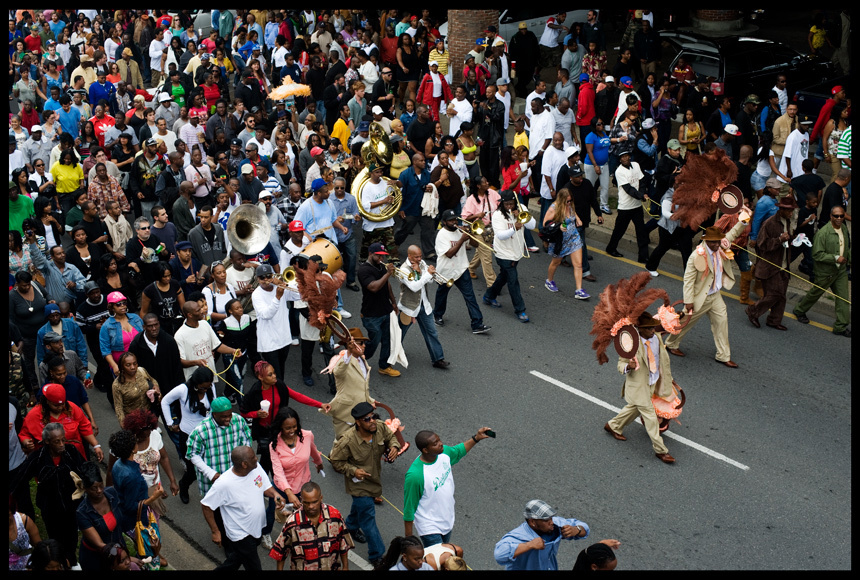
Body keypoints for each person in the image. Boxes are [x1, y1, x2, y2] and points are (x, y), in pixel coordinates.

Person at [665, 221, 747, 368]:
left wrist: (742, 221)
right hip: (699, 298)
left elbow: (732, 234)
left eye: (718, 242)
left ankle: (723, 356)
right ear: (707, 241)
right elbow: (688, 280)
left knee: (722, 323)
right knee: (685, 323)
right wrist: (688, 301)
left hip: (715, 296)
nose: (718, 245)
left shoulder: (720, 245)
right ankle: (671, 344)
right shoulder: (696, 256)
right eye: (714, 242)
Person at [330, 401, 401, 568]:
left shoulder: (380, 427)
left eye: (373, 417)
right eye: (367, 419)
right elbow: (335, 461)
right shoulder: (347, 441)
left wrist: (394, 447)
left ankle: (351, 527)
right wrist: (353, 471)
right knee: (368, 519)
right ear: (358, 422)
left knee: (360, 509)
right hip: (359, 485)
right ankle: (377, 554)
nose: (372, 421)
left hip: (374, 480)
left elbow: (391, 437)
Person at [602, 310, 679, 462]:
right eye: (649, 328)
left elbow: (661, 358)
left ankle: (613, 425)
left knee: (635, 408)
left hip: (653, 381)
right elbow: (620, 365)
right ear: (640, 328)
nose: (653, 330)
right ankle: (661, 451)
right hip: (638, 386)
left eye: (653, 328)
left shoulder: (655, 337)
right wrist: (628, 366)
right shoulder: (630, 343)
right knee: (650, 417)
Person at [11, 421, 86, 568]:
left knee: (71, 534)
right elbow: (21, 478)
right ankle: (59, 562)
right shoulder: (37, 458)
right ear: (47, 441)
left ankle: (72, 561)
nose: (62, 444)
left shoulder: (71, 452)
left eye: (63, 440)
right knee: (56, 536)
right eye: (57, 441)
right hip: (50, 506)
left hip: (71, 503)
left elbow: (85, 468)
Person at [403, 427, 493, 547]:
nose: (441, 444)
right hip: (429, 526)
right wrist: (409, 540)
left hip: (446, 518)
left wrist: (476, 438)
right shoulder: (415, 475)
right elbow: (409, 508)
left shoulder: (444, 453)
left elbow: (458, 451)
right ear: (425, 450)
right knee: (441, 560)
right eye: (435, 444)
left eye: (439, 440)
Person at [200, 445, 284, 571]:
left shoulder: (255, 468)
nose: (256, 458)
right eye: (253, 457)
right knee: (254, 566)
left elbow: (265, 487)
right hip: (240, 534)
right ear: (244, 464)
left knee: (236, 560)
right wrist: (215, 531)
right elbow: (206, 505)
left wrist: (275, 495)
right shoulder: (224, 483)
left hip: (256, 528)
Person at [268, 481, 353, 570]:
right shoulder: (292, 523)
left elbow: (343, 544)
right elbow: (281, 552)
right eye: (306, 503)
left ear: (321, 498)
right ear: (301, 499)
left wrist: (345, 567)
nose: (311, 506)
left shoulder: (335, 516)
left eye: (314, 502)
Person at [793, 206, 851, 336]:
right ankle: (799, 310)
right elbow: (817, 255)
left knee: (843, 299)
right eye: (836, 216)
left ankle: (840, 327)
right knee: (815, 293)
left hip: (840, 272)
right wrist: (835, 258)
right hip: (825, 272)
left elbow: (846, 248)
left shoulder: (844, 229)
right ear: (831, 217)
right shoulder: (822, 233)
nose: (839, 218)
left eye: (841, 216)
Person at [483, 190, 537, 322]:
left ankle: (489, 296)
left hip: (516, 251)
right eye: (506, 204)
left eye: (511, 204)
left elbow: (533, 225)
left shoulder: (521, 208)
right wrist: (514, 228)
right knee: (513, 281)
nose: (509, 207)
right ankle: (520, 310)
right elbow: (500, 235)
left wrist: (521, 217)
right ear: (502, 203)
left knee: (503, 277)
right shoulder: (497, 215)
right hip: (503, 253)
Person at [433, 209, 490, 333]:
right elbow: (449, 254)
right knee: (442, 295)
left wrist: (472, 233)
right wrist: (462, 240)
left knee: (470, 297)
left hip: (461, 269)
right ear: (444, 222)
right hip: (446, 271)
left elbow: (475, 245)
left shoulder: (460, 231)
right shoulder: (441, 235)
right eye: (450, 220)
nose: (454, 222)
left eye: (455, 220)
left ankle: (477, 324)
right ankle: (437, 315)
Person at [186, 396, 252, 502]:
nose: (228, 419)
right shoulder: (201, 430)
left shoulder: (239, 421)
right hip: (212, 481)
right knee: (214, 512)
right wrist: (210, 473)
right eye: (223, 416)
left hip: (235, 476)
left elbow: (246, 441)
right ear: (214, 414)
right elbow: (193, 454)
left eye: (229, 415)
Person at [746, 195, 797, 331]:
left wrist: (794, 238)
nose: (791, 213)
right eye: (788, 210)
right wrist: (779, 240)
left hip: (784, 265)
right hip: (771, 266)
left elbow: (786, 240)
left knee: (782, 296)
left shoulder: (787, 221)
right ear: (781, 209)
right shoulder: (769, 223)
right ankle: (753, 311)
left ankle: (774, 320)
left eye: (792, 210)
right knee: (774, 294)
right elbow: (762, 246)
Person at [494, 499, 590, 571]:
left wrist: (576, 530)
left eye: (551, 518)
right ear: (532, 522)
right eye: (546, 520)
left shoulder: (556, 525)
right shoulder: (519, 536)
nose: (551, 522)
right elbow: (499, 555)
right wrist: (529, 545)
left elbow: (585, 528)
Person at [396, 245, 449, 369]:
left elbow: (429, 281)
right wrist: (426, 274)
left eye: (420, 256)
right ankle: (392, 352)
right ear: (409, 256)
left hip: (424, 306)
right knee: (400, 333)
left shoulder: (421, 263)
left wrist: (427, 273)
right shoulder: (403, 270)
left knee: (432, 333)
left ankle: (438, 359)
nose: (420, 259)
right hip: (409, 308)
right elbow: (414, 287)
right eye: (416, 257)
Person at [128, 314, 185, 425]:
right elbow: (133, 371)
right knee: (147, 429)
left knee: (174, 427)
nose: (154, 328)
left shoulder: (169, 341)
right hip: (147, 397)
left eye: (156, 325)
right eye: (150, 326)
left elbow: (177, 368)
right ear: (144, 327)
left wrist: (179, 392)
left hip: (169, 394)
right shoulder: (136, 344)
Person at [358, 242, 401, 377]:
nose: (382, 259)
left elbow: (387, 286)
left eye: (383, 256)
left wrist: (393, 303)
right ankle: (358, 359)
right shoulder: (364, 270)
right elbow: (374, 287)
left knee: (388, 339)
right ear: (371, 254)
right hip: (371, 314)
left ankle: (384, 366)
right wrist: (388, 273)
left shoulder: (380, 267)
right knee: (374, 340)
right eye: (379, 256)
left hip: (385, 310)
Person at [174, 299, 237, 387]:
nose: (202, 311)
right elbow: (181, 362)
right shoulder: (180, 335)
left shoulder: (205, 324)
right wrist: (196, 362)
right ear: (190, 315)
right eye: (198, 310)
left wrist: (232, 351)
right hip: (194, 381)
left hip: (210, 377)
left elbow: (217, 346)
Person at [543, 186, 588, 298]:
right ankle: (549, 280)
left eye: (570, 200)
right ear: (561, 200)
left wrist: (577, 218)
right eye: (567, 201)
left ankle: (579, 290)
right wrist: (558, 227)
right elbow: (545, 224)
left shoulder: (570, 205)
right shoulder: (554, 209)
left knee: (578, 264)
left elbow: (572, 211)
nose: (569, 203)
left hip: (573, 238)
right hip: (560, 240)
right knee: (556, 262)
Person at [251, 263, 293, 381]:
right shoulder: (256, 294)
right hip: (269, 343)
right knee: (275, 377)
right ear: (257, 279)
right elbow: (266, 314)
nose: (266, 280)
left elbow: (299, 295)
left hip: (284, 339)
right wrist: (277, 297)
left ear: (273, 276)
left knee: (281, 372)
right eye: (262, 277)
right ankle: (278, 397)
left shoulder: (279, 287)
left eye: (269, 276)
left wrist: (287, 284)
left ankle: (279, 394)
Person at [605, 151, 649, 263]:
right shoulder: (619, 171)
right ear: (620, 159)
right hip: (625, 207)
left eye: (626, 156)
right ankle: (611, 248)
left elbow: (642, 181)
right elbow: (628, 189)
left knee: (641, 231)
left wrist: (643, 194)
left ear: (629, 156)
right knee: (619, 230)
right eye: (622, 157)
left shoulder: (636, 165)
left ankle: (643, 256)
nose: (625, 158)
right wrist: (641, 195)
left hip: (637, 206)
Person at [99, 291, 144, 377]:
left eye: (124, 303)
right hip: (121, 366)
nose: (123, 305)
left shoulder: (135, 318)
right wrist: (114, 366)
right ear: (112, 307)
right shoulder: (107, 326)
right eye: (118, 304)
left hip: (140, 361)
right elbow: (105, 350)